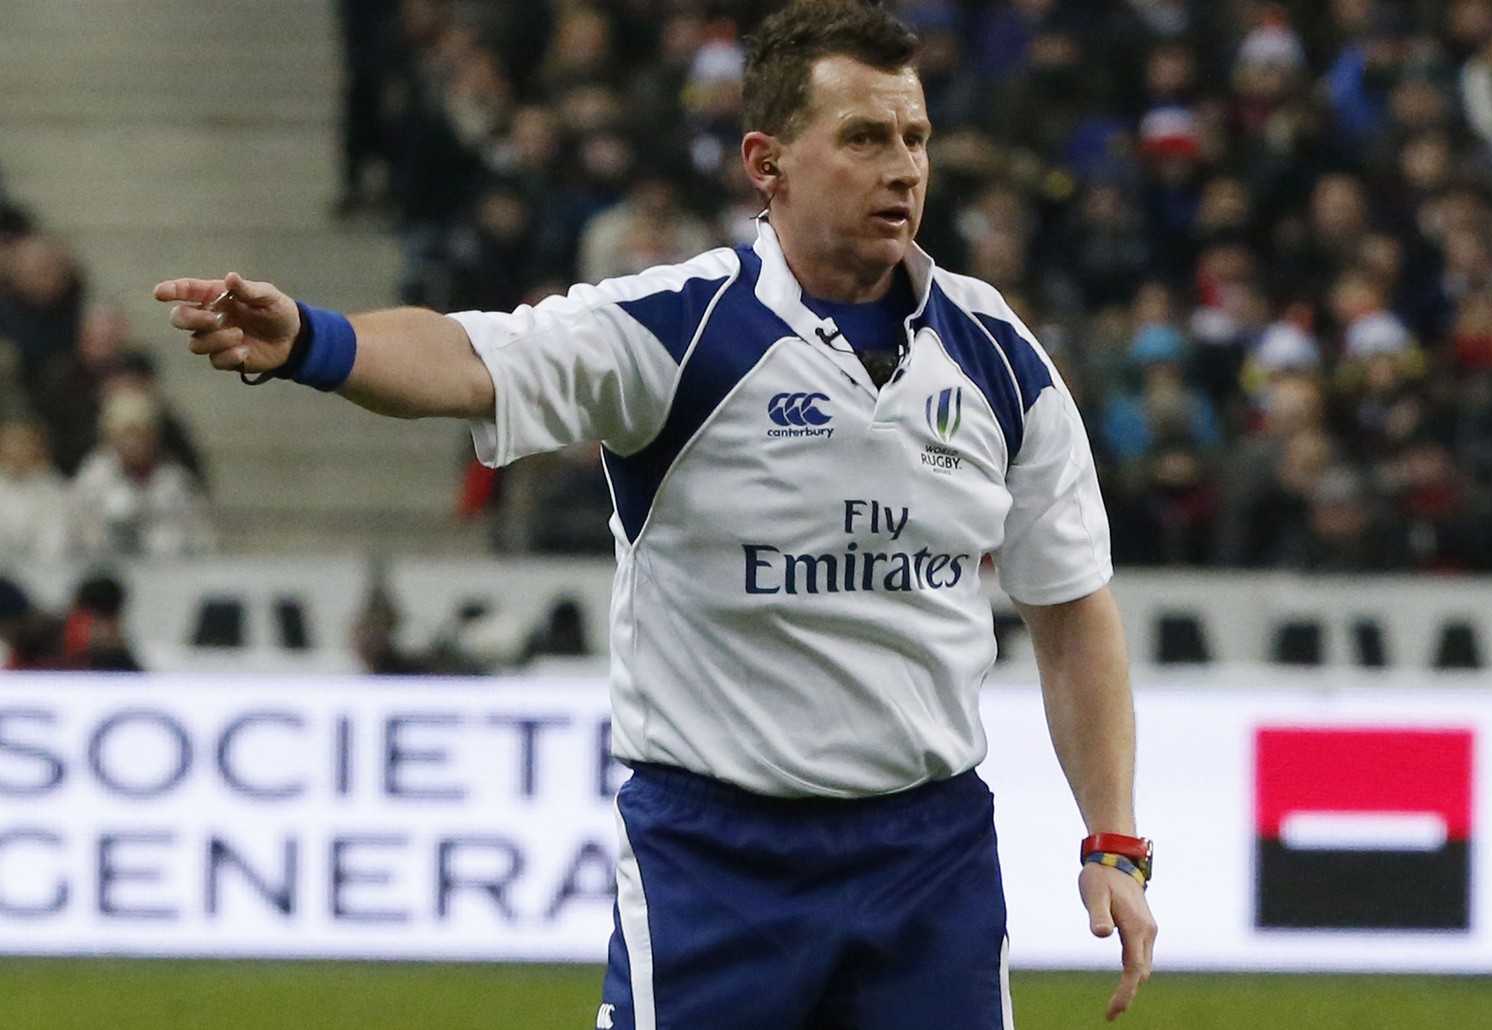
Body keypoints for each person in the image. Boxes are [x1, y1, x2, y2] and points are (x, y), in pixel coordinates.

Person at [155, 2, 1155, 1025]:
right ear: (766, 161)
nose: (903, 167)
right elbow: (470, 358)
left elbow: (1072, 607)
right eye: (863, 137)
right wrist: (314, 343)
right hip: (717, 857)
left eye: (916, 138)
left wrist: (1113, 841)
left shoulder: (997, 353)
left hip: (930, 856)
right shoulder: (675, 330)